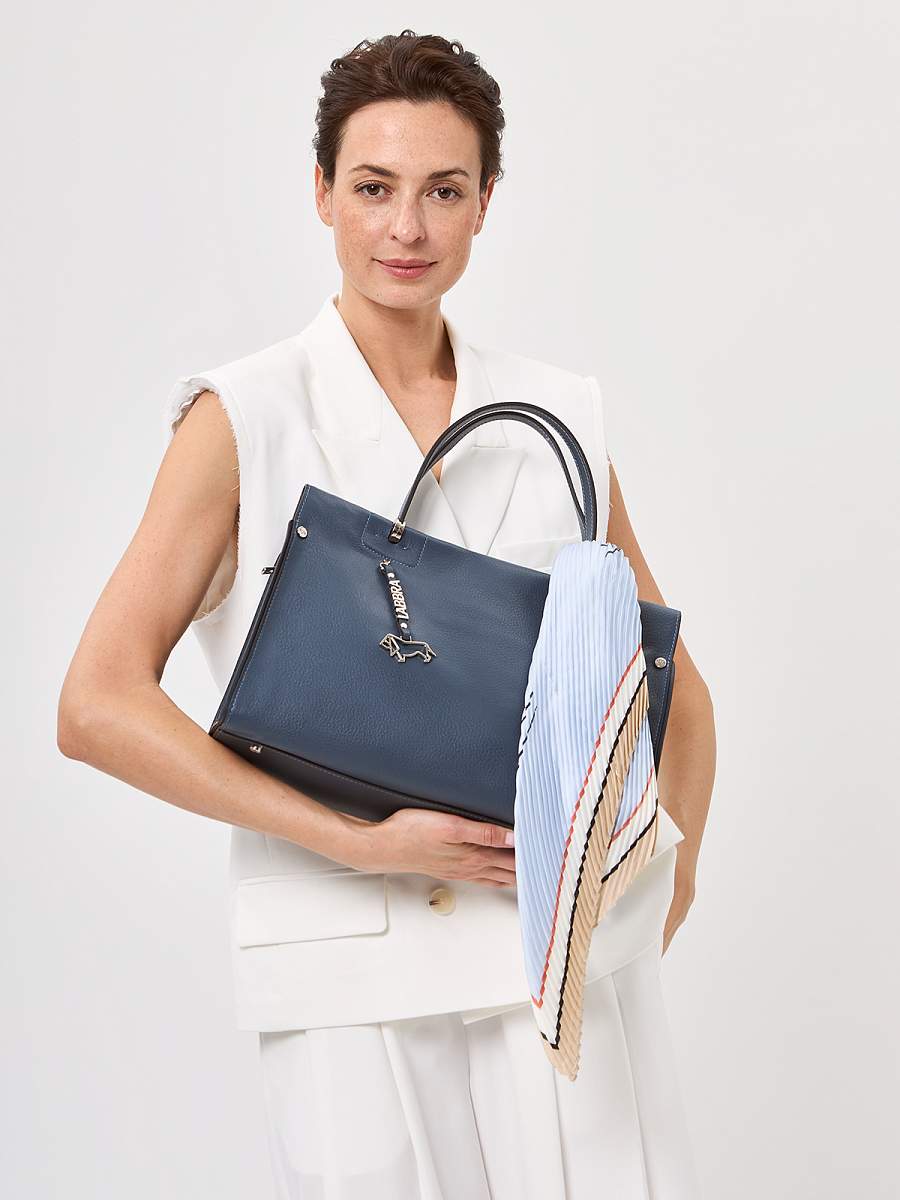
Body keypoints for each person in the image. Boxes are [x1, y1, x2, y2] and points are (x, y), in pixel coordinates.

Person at [58, 29, 715, 1199]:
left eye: (443, 191)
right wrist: (354, 842)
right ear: (321, 192)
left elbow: (674, 692)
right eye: (373, 187)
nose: (406, 228)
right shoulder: (244, 417)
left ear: (486, 202)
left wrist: (666, 877)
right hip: (350, 983)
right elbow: (97, 703)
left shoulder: (559, 416)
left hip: (557, 976)